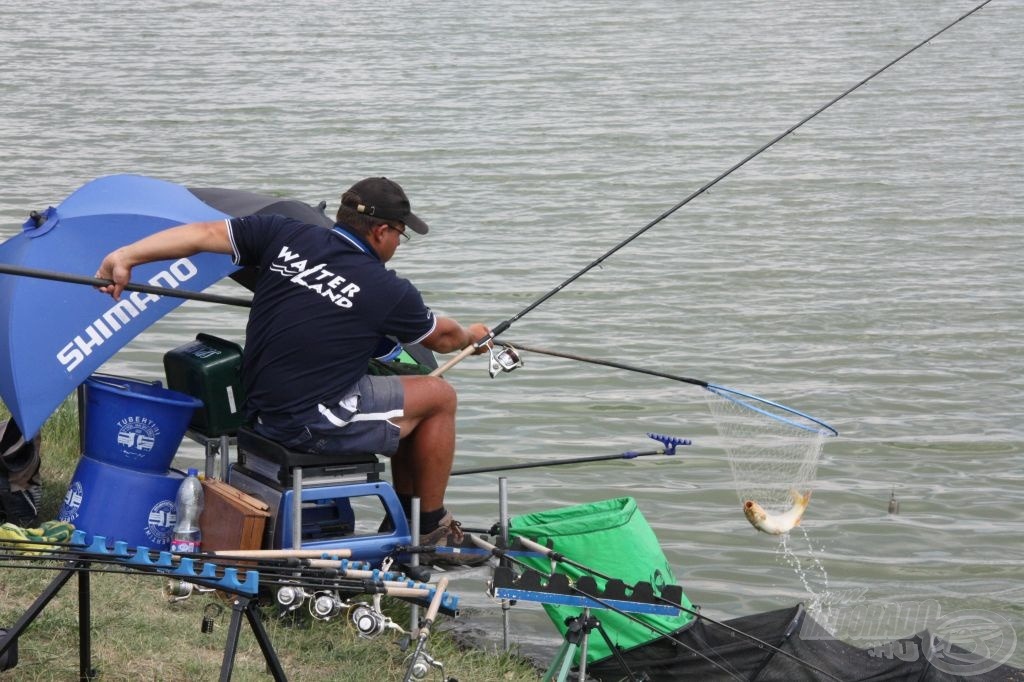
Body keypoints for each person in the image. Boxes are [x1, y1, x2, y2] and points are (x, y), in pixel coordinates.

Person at [96, 177, 490, 555]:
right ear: (381, 231)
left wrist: (125, 255)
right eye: (400, 235)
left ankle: (411, 519)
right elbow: (441, 339)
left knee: (407, 397)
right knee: (439, 397)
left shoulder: (283, 234)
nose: (398, 245)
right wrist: (473, 335)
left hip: (259, 409)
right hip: (310, 422)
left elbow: (201, 234)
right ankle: (433, 528)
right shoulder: (387, 289)